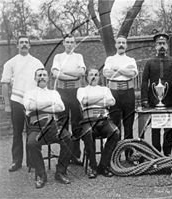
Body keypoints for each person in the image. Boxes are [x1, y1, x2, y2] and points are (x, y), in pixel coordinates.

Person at [0, 35, 44, 172]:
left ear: (30, 46)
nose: (24, 45)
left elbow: (42, 82)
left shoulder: (37, 63)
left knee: (32, 132)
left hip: (32, 102)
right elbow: (5, 85)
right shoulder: (10, 63)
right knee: (17, 132)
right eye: (21, 43)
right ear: (17, 46)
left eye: (26, 42)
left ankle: (32, 161)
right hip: (17, 101)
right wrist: (7, 105)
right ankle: (16, 161)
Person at [24, 68, 72, 188]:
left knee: (68, 137)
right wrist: (49, 103)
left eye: (44, 75)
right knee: (31, 143)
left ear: (48, 78)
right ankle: (41, 174)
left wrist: (38, 106)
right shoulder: (29, 93)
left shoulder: (53, 93)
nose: (42, 77)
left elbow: (60, 107)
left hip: (52, 125)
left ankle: (60, 172)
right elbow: (28, 106)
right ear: (35, 78)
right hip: (36, 126)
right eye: (39, 75)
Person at [141, 33, 172, 156]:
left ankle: (167, 153)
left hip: (169, 99)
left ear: (167, 45)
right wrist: (144, 99)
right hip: (154, 99)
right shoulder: (149, 62)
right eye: (159, 44)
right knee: (156, 126)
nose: (162, 46)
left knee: (168, 126)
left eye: (164, 43)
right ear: (155, 46)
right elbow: (144, 81)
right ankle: (156, 153)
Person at [75, 68, 120, 178]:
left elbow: (112, 102)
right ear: (87, 77)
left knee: (115, 132)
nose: (94, 77)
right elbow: (84, 102)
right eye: (91, 75)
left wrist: (91, 100)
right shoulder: (81, 90)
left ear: (99, 77)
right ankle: (93, 166)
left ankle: (104, 165)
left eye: (96, 75)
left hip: (104, 119)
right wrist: (101, 98)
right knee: (88, 133)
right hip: (88, 120)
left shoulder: (105, 89)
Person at [51, 34, 86, 165]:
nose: (70, 44)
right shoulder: (58, 57)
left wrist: (64, 72)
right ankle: (65, 155)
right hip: (62, 92)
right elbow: (55, 74)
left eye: (72, 42)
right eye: (67, 42)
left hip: (75, 92)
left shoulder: (78, 57)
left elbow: (81, 73)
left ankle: (76, 155)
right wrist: (72, 73)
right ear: (63, 43)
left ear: (75, 44)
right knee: (63, 124)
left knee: (77, 123)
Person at [103, 35, 138, 159]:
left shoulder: (131, 60)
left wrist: (117, 68)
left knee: (128, 125)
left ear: (126, 45)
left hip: (128, 93)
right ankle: (115, 156)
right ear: (115, 45)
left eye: (123, 42)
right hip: (114, 93)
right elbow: (107, 74)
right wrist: (124, 71)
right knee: (115, 125)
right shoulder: (110, 59)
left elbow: (132, 74)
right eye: (119, 42)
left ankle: (129, 155)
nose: (121, 45)